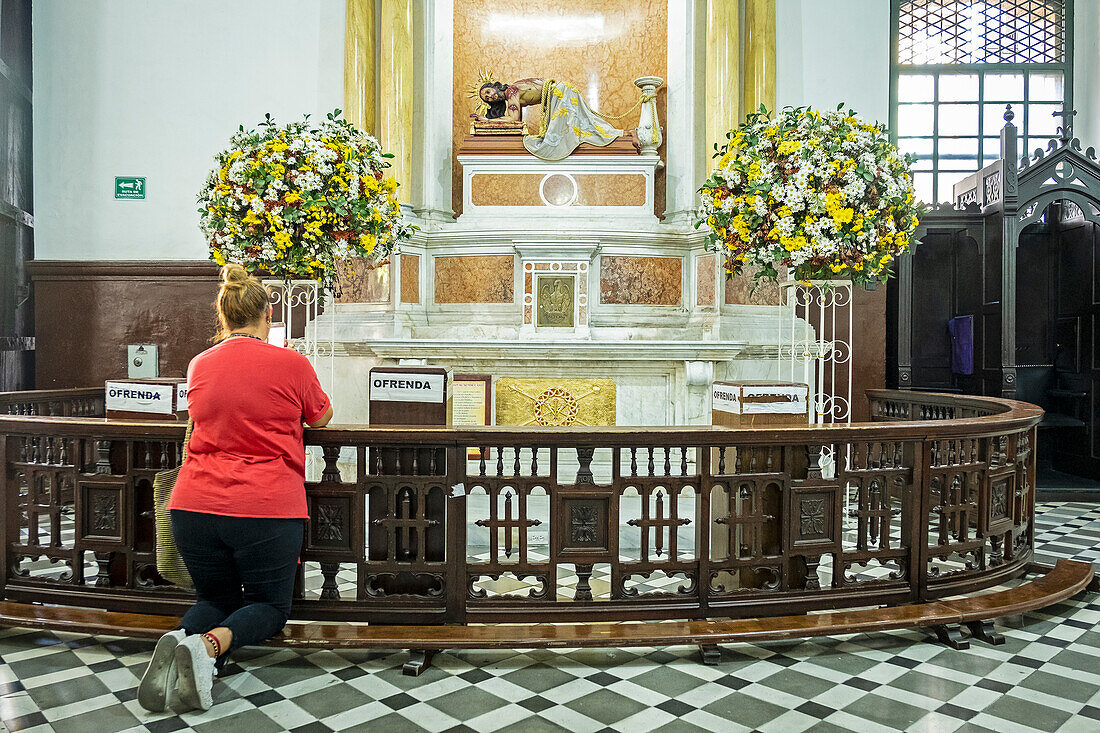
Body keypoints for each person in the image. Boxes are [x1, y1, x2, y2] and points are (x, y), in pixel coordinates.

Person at [137, 264, 333, 713]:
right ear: (268, 313)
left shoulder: (200, 363)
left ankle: (177, 641)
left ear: (223, 317)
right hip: (264, 506)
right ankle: (206, 648)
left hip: (193, 504)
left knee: (215, 598)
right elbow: (320, 417)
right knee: (268, 606)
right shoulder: (291, 363)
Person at [471, 78, 621, 161]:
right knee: (584, 124)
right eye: (487, 98)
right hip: (561, 92)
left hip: (560, 93)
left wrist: (486, 120)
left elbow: (513, 119)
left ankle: (618, 135)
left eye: (488, 92)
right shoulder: (511, 96)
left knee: (578, 129)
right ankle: (622, 134)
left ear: (496, 86)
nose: (490, 97)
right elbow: (516, 123)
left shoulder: (511, 91)